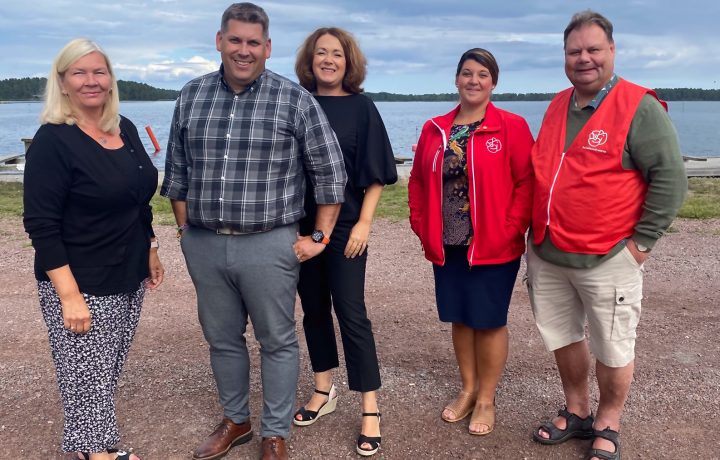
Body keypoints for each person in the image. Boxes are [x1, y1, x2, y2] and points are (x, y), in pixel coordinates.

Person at [160, 4, 347, 460]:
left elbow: (330, 173)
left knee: (277, 340)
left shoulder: (293, 100)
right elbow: (177, 171)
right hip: (205, 240)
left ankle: (275, 433)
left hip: (270, 242)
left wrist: (318, 237)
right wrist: (185, 232)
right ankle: (237, 420)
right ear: (220, 41)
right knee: (222, 338)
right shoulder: (192, 95)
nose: (243, 51)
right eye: (235, 40)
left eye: (252, 43)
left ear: (267, 48)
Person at [527, 10, 688, 460]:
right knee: (562, 335)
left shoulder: (640, 106)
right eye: (575, 51)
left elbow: (671, 179)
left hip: (608, 255)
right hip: (549, 249)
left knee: (613, 345)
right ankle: (578, 410)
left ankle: (608, 421)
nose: (584, 59)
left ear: (612, 51)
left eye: (594, 49)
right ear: (564, 56)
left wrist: (640, 246)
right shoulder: (559, 103)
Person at [23, 38, 163, 460]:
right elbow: (41, 225)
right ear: (62, 83)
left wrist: (151, 248)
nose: (91, 81)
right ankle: (95, 453)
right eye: (79, 73)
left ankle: (96, 447)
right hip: (79, 278)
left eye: (98, 71)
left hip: (127, 269)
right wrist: (68, 295)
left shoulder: (126, 128)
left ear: (110, 79)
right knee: (85, 373)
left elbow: (138, 198)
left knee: (104, 369)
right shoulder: (53, 141)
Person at [408, 48, 534, 436]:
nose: (473, 80)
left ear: (493, 82)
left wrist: (511, 227)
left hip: (494, 244)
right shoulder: (436, 128)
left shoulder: (511, 126)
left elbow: (526, 182)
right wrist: (419, 222)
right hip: (448, 245)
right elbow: (416, 180)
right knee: (460, 318)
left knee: (489, 320)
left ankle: (486, 398)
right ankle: (466, 389)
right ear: (457, 79)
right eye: (467, 73)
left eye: (482, 74)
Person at [292, 27, 398, 457]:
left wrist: (364, 225)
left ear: (348, 61)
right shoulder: (296, 103)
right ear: (310, 59)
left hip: (347, 228)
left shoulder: (363, 108)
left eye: (337, 54)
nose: (329, 60)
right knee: (313, 308)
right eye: (321, 53)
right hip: (301, 227)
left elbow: (377, 173)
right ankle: (323, 390)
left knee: (352, 313)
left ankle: (369, 407)